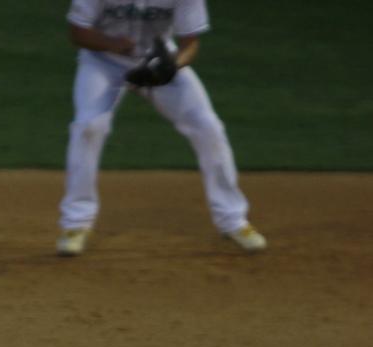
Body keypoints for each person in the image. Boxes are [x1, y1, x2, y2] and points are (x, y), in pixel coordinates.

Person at [57, 0, 267, 256]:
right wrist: (114, 45)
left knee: (208, 126)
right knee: (89, 126)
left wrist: (171, 67)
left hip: (158, 61)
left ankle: (233, 220)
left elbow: (190, 44)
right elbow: (77, 32)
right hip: (102, 63)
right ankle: (76, 224)